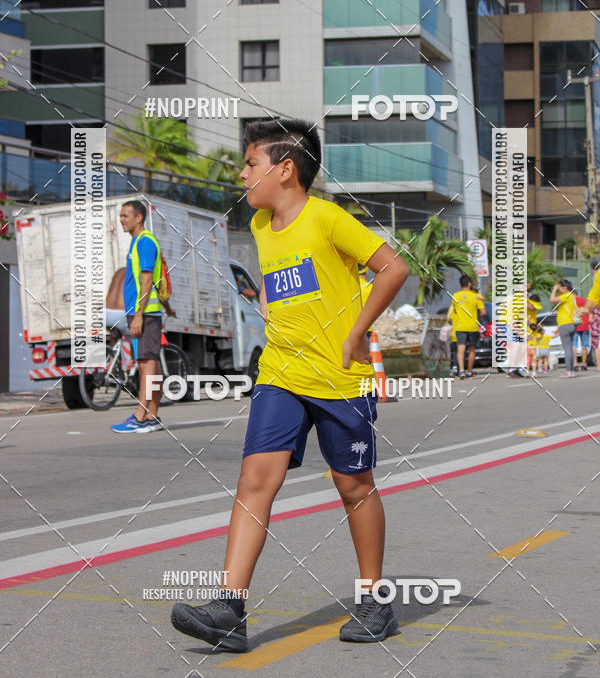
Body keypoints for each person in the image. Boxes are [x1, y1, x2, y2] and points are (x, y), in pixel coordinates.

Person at [170, 118, 409, 650]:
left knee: (353, 486)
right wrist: (270, 305)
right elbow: (289, 285)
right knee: (256, 477)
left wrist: (356, 332)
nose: (241, 173)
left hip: (337, 377)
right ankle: (230, 607)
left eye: (250, 163)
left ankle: (375, 599)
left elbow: (392, 268)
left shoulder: (327, 218)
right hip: (280, 372)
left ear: (285, 169)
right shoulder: (259, 227)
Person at [111, 200, 175, 433]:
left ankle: (140, 415)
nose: (122, 219)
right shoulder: (139, 242)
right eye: (121, 215)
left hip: (145, 314)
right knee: (153, 364)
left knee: (145, 364)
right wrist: (166, 308)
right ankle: (152, 416)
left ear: (139, 217)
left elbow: (148, 280)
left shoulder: (144, 242)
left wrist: (138, 314)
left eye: (126, 215)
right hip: (148, 313)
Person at [446, 275, 485, 378]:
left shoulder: (455, 296)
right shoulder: (475, 296)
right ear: (469, 284)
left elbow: (454, 310)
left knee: (460, 348)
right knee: (472, 349)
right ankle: (469, 371)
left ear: (460, 285)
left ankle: (461, 371)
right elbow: (483, 312)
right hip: (473, 326)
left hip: (460, 326)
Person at [549, 279, 577, 378]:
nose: (559, 289)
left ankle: (568, 371)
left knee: (567, 349)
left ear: (565, 288)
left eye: (560, 287)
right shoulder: (573, 297)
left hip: (565, 324)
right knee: (569, 348)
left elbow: (552, 299)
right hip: (571, 324)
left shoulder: (566, 296)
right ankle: (571, 371)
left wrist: (554, 290)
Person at [573, 294, 590, 371]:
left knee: (574, 346)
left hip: (575, 325)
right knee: (584, 346)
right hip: (585, 325)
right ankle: (584, 364)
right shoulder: (584, 300)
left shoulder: (571, 301)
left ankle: (575, 364)